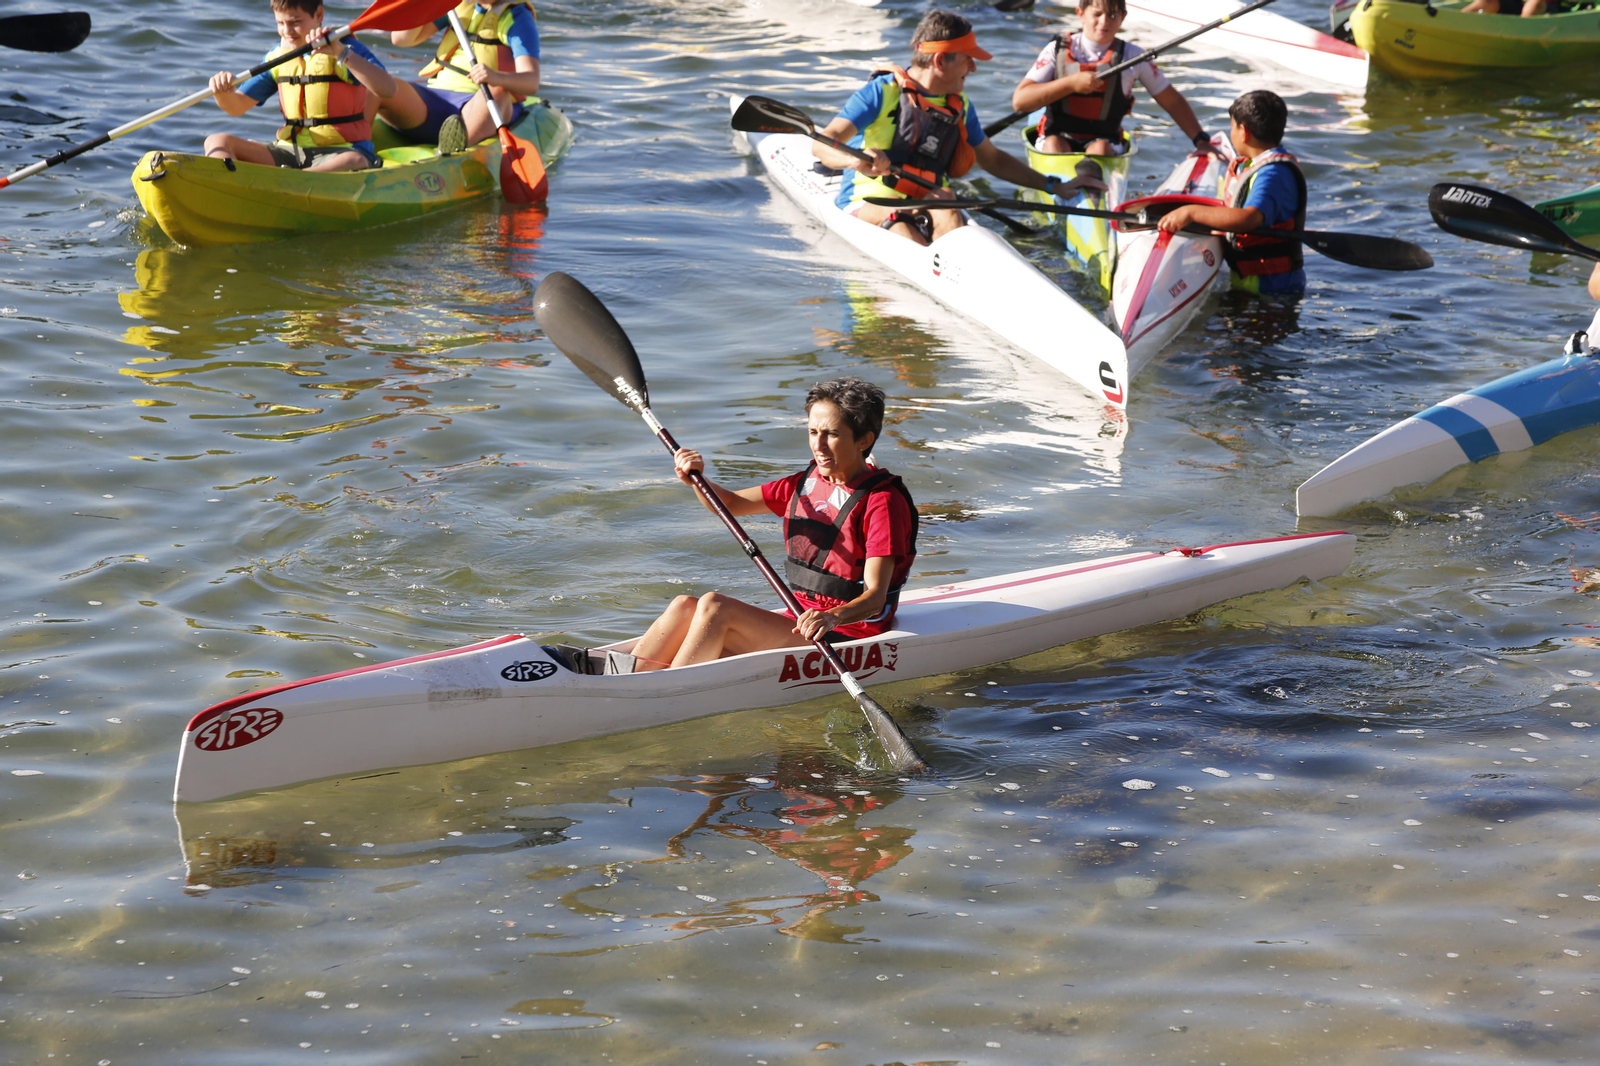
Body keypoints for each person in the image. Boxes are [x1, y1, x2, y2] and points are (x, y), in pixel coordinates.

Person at [628, 378, 918, 672]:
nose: (818, 445)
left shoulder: (882, 502)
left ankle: (665, 690)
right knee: (684, 606)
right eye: (813, 432)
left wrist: (832, 617)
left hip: (846, 634)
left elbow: (874, 599)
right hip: (799, 620)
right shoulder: (805, 484)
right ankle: (624, 678)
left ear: (864, 440)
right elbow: (730, 504)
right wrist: (696, 478)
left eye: (831, 434)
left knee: (716, 607)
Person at [813, 10, 1092, 247]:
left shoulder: (960, 106)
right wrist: (855, 161)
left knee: (947, 200)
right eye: (967, 59)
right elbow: (823, 142)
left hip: (931, 201)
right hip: (870, 203)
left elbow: (993, 159)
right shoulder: (882, 92)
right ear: (939, 61)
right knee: (901, 222)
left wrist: (1054, 186)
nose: (973, 68)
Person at [204, 0, 396, 172]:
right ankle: (228, 187)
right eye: (280, 23)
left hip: (340, 151)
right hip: (290, 151)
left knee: (353, 160)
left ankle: (292, 182)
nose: (287, 31)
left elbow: (388, 89)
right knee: (217, 141)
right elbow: (236, 107)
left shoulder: (345, 48)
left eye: (295, 22)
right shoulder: (278, 58)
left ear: (318, 15)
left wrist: (340, 53)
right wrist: (222, 93)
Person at [1012, 0, 1216, 159]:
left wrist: (1201, 140)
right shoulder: (1056, 49)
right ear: (1080, 14)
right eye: (1097, 14)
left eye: (1112, 15)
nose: (1104, 22)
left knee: (1099, 149)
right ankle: (1060, 187)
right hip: (1057, 137)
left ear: (1123, 17)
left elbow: (1172, 101)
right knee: (1054, 145)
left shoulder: (1133, 57)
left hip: (1104, 141)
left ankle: (1089, 189)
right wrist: (1071, 83)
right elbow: (1020, 101)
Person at [1157, 90, 1307, 297]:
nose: (1231, 132)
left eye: (1232, 127)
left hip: (1273, 290)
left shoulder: (1273, 174)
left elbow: (1249, 218)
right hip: (1253, 282)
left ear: (1243, 132)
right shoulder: (1255, 165)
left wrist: (1191, 213)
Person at [377, 0, 540, 152]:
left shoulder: (517, 18)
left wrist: (496, 77)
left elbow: (531, 82)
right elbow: (401, 39)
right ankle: (363, 150)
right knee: (377, 85)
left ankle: (453, 152)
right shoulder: (456, 5)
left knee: (497, 91)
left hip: (481, 105)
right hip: (435, 99)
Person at [1462, 1, 1561, 14]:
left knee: (1533, 3)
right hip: (1519, 5)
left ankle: (1521, 38)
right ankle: (1458, 22)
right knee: (1488, 2)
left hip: (1546, 6)